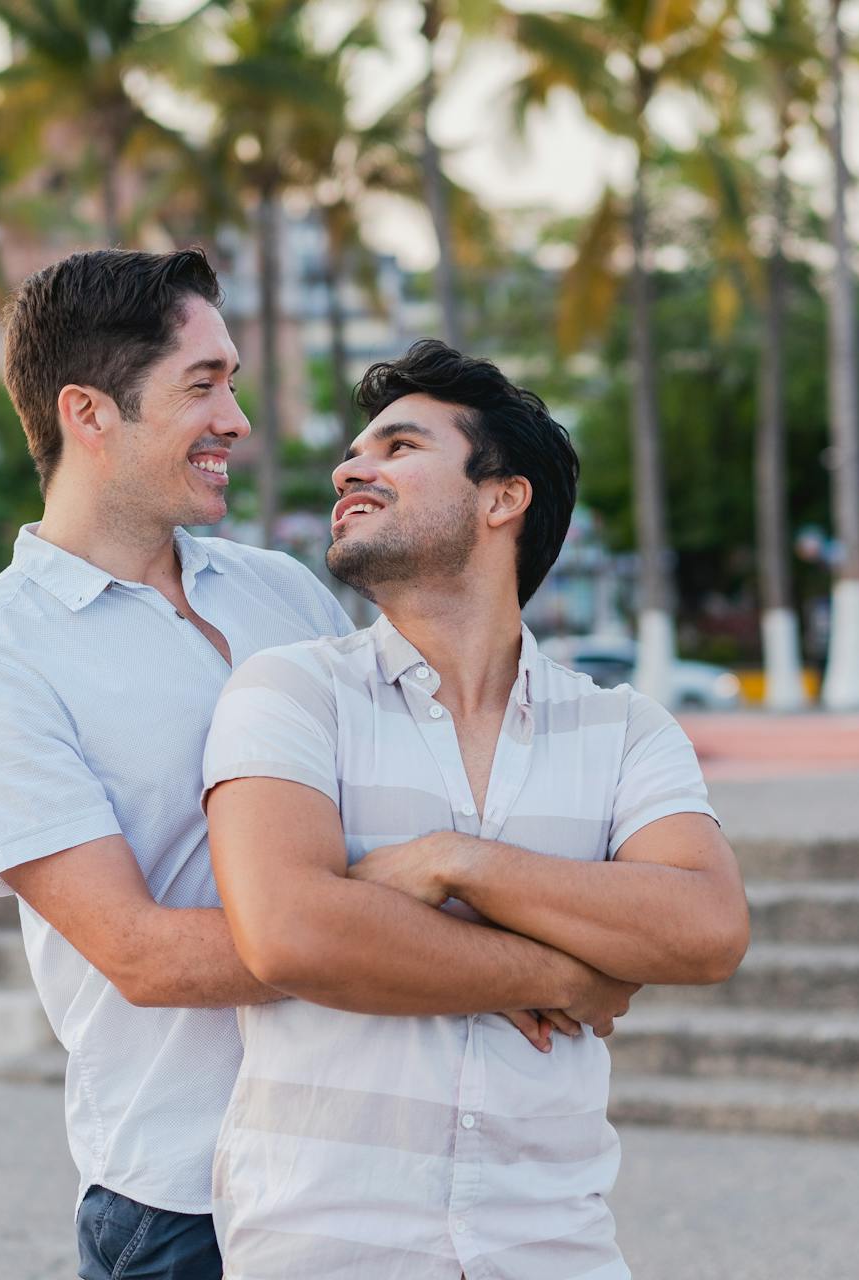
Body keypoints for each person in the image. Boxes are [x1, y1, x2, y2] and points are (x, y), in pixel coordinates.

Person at [0, 253, 626, 1280]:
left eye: (233, 381)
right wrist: (530, 967)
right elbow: (143, 953)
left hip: (363, 1170)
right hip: (180, 1198)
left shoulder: (279, 592)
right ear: (89, 412)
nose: (238, 418)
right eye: (203, 383)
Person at [203, 340, 751, 1278]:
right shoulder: (290, 693)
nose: (349, 467)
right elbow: (291, 933)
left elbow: (706, 929)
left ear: (503, 498)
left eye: (401, 447)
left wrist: (459, 862)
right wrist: (561, 968)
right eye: (355, 451)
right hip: (328, 1248)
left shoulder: (623, 729)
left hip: (555, 1247)